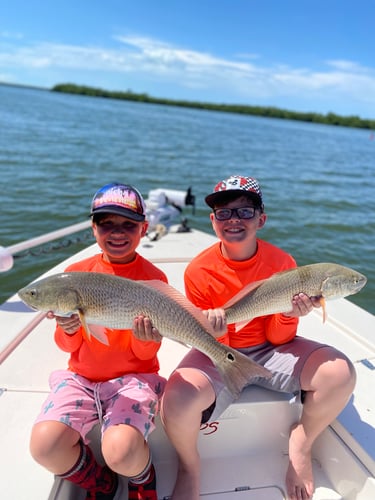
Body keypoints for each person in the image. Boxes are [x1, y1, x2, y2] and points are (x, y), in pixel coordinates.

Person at [160, 175, 356, 500]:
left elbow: (279, 338)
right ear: (213, 221)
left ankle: (302, 442)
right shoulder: (198, 270)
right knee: (176, 400)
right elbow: (209, 342)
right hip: (218, 350)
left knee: (340, 373)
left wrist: (288, 315)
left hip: (269, 349)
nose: (233, 219)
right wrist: (214, 331)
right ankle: (189, 467)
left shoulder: (283, 263)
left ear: (261, 220)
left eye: (244, 212)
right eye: (224, 213)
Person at [29, 182, 167, 500]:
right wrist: (67, 328)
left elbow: (145, 351)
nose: (117, 232)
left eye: (128, 224)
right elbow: (69, 347)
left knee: (120, 451)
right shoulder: (76, 273)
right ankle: (101, 482)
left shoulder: (153, 280)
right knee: (44, 445)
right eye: (106, 223)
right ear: (94, 228)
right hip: (81, 378)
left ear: (143, 228)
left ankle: (142, 478)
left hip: (135, 377)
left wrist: (146, 338)